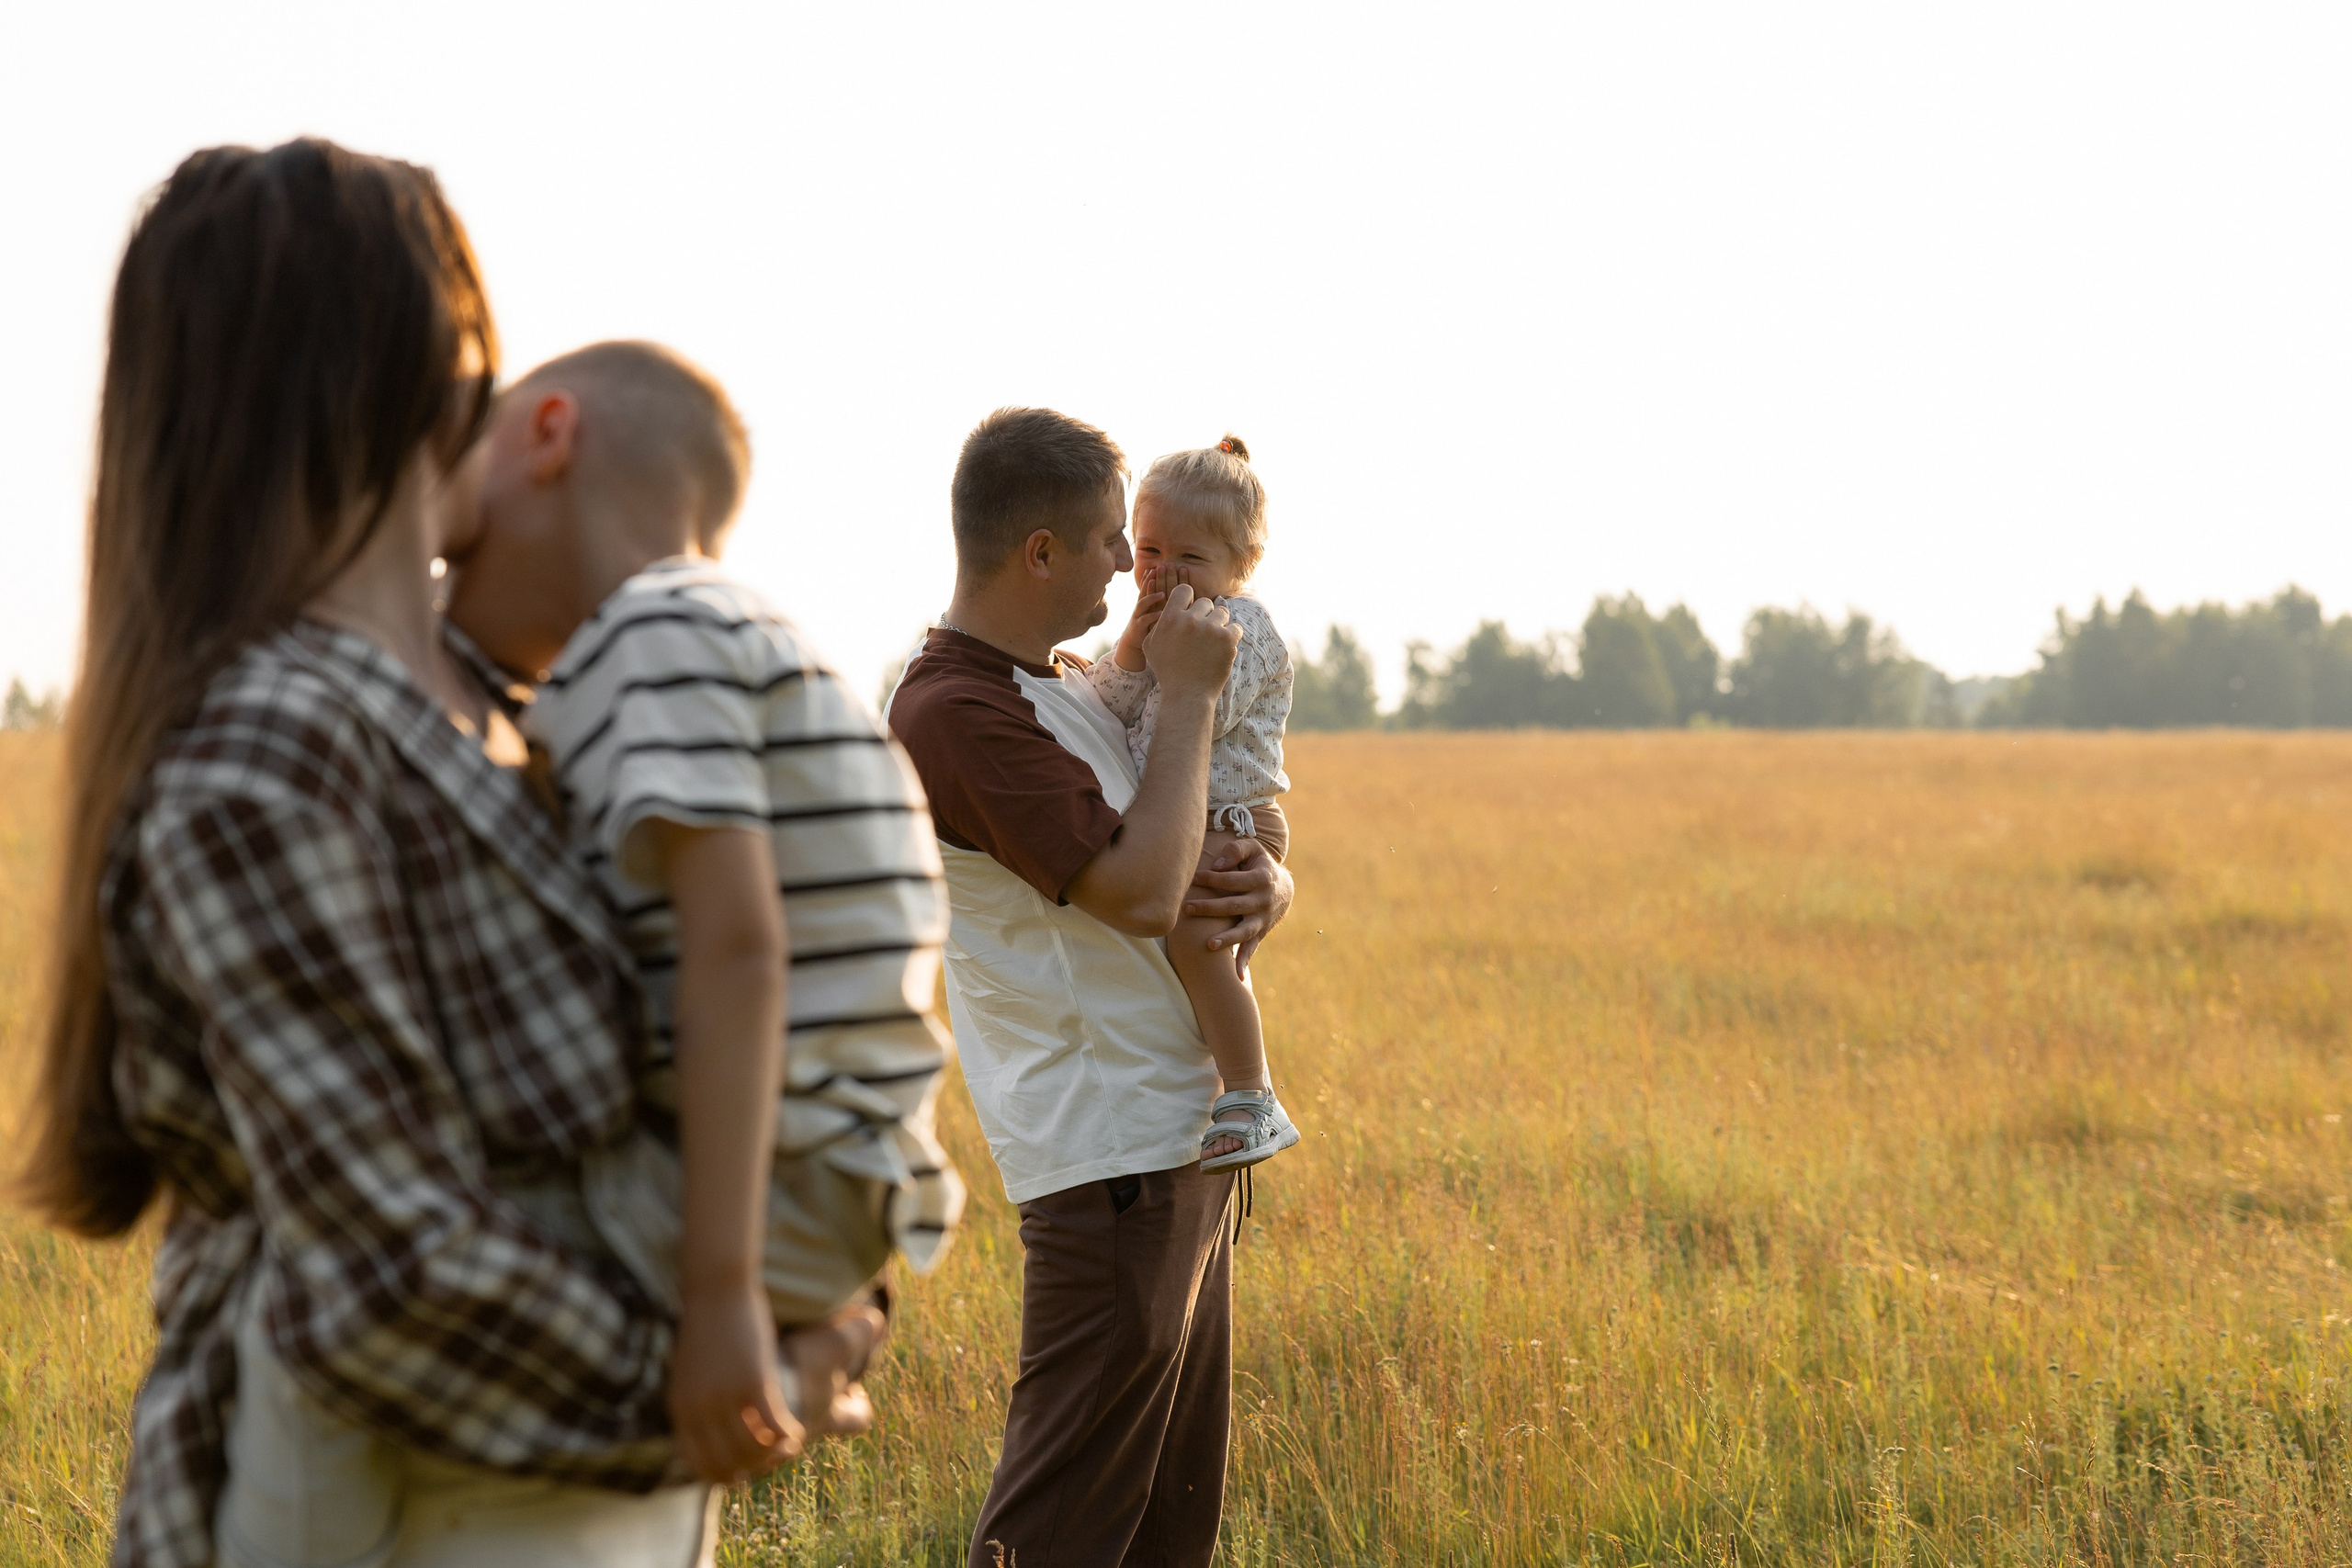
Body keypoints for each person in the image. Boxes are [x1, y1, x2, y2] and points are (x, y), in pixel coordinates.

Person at [16, 140, 722, 1568]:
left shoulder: (508, 707)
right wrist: (720, 1375)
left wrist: (807, 1288)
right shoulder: (269, 747)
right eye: (472, 316)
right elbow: (396, 1272)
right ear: (407, 352)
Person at [442, 338, 963, 1478]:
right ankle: (818, 1359)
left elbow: (736, 946)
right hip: (822, 1170)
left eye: (459, 458)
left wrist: (723, 1290)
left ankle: (797, 1363)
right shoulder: (722, 630)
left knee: (408, 1255)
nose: (440, 539)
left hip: (764, 1173)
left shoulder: (653, 634)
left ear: (548, 436)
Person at [888, 407, 1296, 1568]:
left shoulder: (1055, 689)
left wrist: (1271, 882)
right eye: (1116, 539)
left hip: (1179, 1148)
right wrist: (1195, 694)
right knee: (1059, 1532)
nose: (1133, 565)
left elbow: (1198, 845)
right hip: (1108, 1163)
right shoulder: (952, 714)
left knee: (1168, 1524)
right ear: (1041, 553)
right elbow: (1137, 892)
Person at [1086, 434, 1301, 1171]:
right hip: (1193, 813)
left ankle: (1252, 1094)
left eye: (1191, 558)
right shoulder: (1159, 626)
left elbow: (1179, 739)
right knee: (1185, 949)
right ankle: (1225, 1087)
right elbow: (1107, 708)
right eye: (1149, 550)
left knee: (1199, 943)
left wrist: (1174, 672)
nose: (1162, 571)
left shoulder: (1245, 632)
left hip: (1231, 818)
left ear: (1241, 565)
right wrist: (1130, 651)